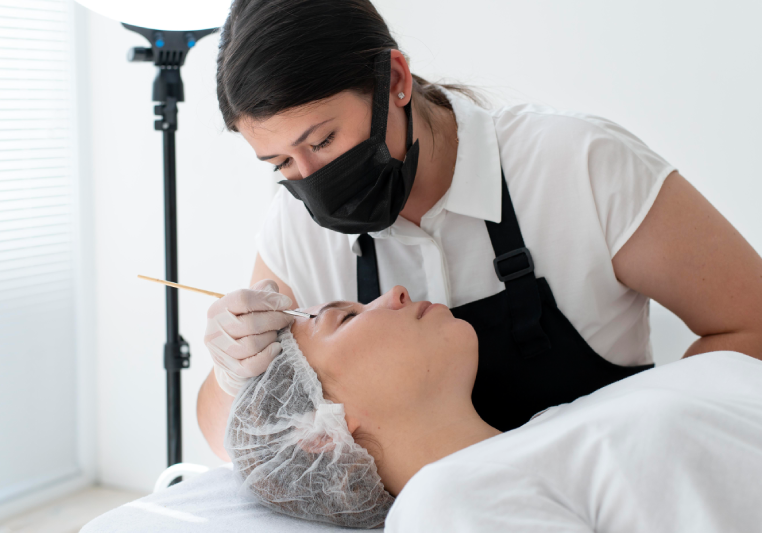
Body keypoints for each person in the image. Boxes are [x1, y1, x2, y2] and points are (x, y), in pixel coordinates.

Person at [199, 0, 762, 460]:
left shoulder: (577, 163)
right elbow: (240, 447)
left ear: (395, 80)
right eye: (281, 163)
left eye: (323, 141)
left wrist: (636, 455)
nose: (311, 180)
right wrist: (235, 376)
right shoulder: (296, 229)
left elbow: (751, 323)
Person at [226, 286, 762, 532]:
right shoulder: (444, 503)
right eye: (345, 318)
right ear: (320, 431)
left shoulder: (554, 431)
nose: (395, 293)